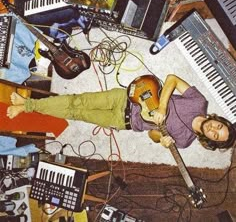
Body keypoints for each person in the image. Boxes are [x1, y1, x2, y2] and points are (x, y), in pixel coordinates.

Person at [7, 74, 236, 150]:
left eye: (216, 135)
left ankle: (27, 108)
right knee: (78, 101)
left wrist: (163, 140)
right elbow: (172, 79)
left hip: (123, 122)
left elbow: (152, 135)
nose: (214, 130)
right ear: (218, 120)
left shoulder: (185, 141)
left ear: (211, 141)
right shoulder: (199, 102)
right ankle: (27, 105)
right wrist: (163, 106)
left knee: (76, 113)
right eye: (219, 127)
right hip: (126, 98)